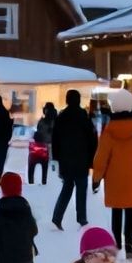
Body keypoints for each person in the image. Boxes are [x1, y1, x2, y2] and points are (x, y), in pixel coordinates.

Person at [92, 88, 132, 260]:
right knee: (130, 210)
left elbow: (101, 157)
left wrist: (97, 177)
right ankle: (130, 243)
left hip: (114, 177)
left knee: (116, 210)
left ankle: (116, 242)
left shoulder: (109, 130)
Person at [50, 89, 98, 230]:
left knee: (67, 188)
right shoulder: (84, 117)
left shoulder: (61, 117)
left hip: (66, 160)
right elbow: (92, 140)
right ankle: (82, 218)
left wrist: (57, 157)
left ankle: (57, 216)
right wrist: (91, 159)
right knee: (81, 189)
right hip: (82, 159)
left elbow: (55, 139)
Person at [28, 102, 57, 185]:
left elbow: (39, 133)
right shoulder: (56, 121)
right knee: (48, 163)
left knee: (32, 162)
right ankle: (45, 180)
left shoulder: (42, 122)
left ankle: (32, 180)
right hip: (51, 146)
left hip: (42, 146)